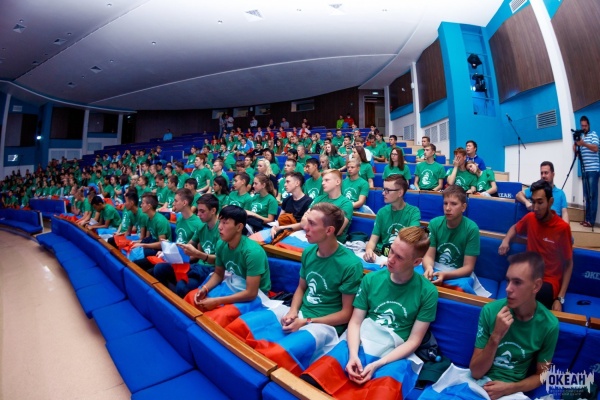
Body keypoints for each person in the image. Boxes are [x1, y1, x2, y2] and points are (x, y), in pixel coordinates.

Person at [302, 226, 437, 392]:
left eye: (399, 257)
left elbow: (414, 341)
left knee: (380, 393)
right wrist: (353, 355)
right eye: (391, 251)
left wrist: (378, 364)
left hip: (393, 353)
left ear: (416, 262)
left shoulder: (427, 292)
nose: (390, 259)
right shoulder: (371, 279)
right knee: (312, 382)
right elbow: (355, 322)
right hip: (360, 341)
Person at [466, 252, 558, 399]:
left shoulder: (549, 325)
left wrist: (510, 388)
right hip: (479, 384)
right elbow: (476, 372)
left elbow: (542, 374)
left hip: (512, 392)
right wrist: (496, 336)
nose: (508, 288)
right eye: (508, 281)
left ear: (536, 286)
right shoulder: (490, 311)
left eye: (517, 282)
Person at [280, 202, 363, 334]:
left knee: (284, 345)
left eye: (312, 224)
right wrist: (293, 311)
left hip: (326, 325)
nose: (305, 227)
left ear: (329, 230)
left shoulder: (350, 265)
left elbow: (346, 314)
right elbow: (301, 288)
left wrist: (306, 321)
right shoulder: (309, 252)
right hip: (302, 315)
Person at [499, 179, 573, 311]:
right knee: (513, 289)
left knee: (534, 294)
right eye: (533, 202)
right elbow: (515, 228)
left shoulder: (562, 228)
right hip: (529, 275)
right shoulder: (530, 218)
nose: (536, 208)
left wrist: (560, 298)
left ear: (550, 202)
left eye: (540, 202)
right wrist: (506, 240)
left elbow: (568, 264)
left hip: (549, 282)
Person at [184, 205, 271, 312]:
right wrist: (205, 289)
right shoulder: (221, 244)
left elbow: (251, 293)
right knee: (191, 298)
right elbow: (218, 274)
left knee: (217, 315)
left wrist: (217, 301)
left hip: (257, 294)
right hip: (235, 283)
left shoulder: (253, 252)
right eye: (220, 222)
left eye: (225, 223)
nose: (219, 227)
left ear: (239, 227)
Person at [422, 185, 489, 297]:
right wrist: (428, 268)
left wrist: (445, 275)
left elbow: (468, 268)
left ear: (463, 207)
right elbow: (428, 256)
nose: (448, 208)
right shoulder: (434, 224)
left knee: (463, 287)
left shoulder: (471, 229)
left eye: (453, 204)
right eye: (445, 203)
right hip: (435, 268)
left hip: (456, 273)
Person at [153, 194, 220, 298]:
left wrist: (198, 254)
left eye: (202, 211)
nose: (198, 214)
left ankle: (177, 298)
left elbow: (220, 260)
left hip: (210, 270)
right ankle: (169, 297)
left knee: (182, 286)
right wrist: (169, 247)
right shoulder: (202, 226)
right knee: (159, 268)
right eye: (198, 211)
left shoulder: (221, 230)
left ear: (213, 211)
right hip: (198, 266)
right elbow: (187, 245)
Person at [364, 175, 421, 262]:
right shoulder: (382, 212)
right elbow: (372, 241)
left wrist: (393, 259)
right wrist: (369, 251)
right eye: (384, 189)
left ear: (400, 193)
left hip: (401, 255)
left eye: (387, 190)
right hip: (381, 253)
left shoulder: (413, 212)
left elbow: (412, 242)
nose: (383, 193)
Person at [574, 115, 599, 227]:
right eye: (582, 126)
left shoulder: (593, 134)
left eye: (585, 125)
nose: (583, 127)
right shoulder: (581, 136)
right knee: (586, 196)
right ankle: (587, 219)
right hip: (584, 170)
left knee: (592, 195)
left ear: (588, 125)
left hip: (593, 170)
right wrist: (576, 143)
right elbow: (576, 153)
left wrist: (583, 144)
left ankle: (591, 221)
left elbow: (596, 148)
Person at [270, 172, 313, 238]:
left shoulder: (308, 201)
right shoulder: (286, 200)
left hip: (300, 233)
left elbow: (303, 224)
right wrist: (274, 228)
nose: (285, 185)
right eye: (285, 182)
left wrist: (281, 228)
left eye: (288, 182)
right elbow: (279, 220)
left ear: (297, 183)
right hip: (284, 229)